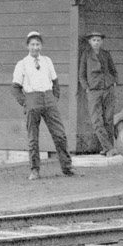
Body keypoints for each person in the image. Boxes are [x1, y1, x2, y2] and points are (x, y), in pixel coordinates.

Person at [11, 31, 74, 180]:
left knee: (60, 134)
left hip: (48, 99)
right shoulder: (22, 64)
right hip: (32, 100)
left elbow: (55, 82)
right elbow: (15, 88)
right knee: (33, 138)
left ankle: (67, 167)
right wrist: (26, 103)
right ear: (27, 46)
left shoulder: (47, 61)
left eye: (38, 44)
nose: (35, 47)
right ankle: (34, 170)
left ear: (41, 45)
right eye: (32, 44)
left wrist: (54, 98)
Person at [79, 31, 119, 157]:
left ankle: (108, 148)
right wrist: (87, 88)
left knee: (108, 119)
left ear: (101, 42)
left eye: (98, 40)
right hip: (94, 91)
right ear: (89, 42)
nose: (96, 42)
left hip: (108, 89)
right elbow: (81, 75)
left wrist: (114, 82)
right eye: (93, 40)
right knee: (96, 120)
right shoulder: (86, 55)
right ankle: (108, 147)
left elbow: (113, 70)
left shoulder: (106, 54)